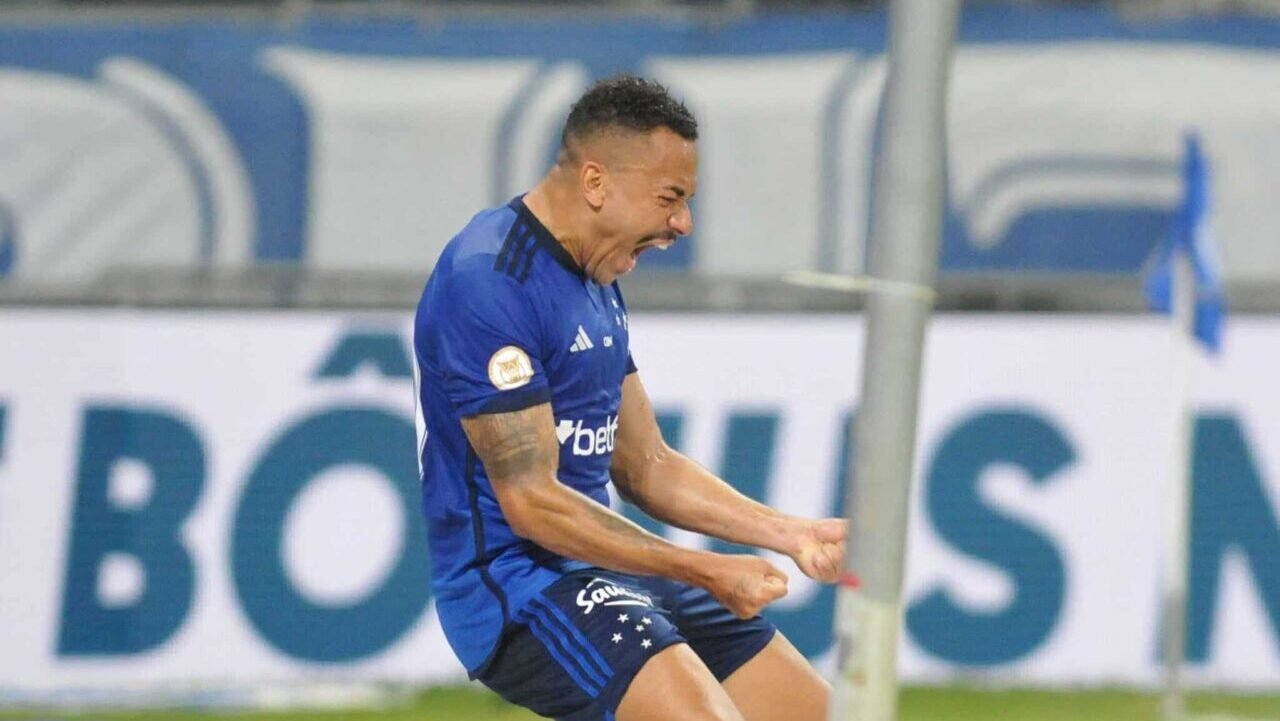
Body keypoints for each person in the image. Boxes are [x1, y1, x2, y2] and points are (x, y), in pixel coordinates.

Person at [412, 75, 846, 721]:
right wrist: (702, 570)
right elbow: (531, 504)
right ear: (595, 183)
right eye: (670, 198)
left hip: (608, 566)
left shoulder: (593, 274)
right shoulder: (489, 281)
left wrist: (790, 531)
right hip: (518, 584)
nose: (682, 224)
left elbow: (647, 465)